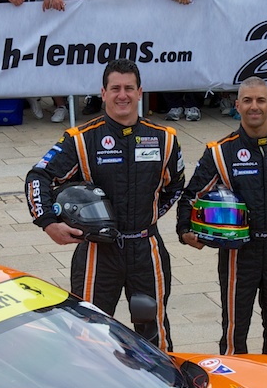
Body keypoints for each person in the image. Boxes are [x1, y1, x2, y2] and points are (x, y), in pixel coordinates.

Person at [25, 59, 186, 350]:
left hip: (146, 249)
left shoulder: (165, 139)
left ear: (140, 92)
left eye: (128, 88)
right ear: (103, 92)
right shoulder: (81, 139)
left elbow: (176, 185)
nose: (122, 95)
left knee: (155, 336)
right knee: (87, 338)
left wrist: (152, 214)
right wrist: (48, 222)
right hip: (98, 252)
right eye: (115, 88)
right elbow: (38, 177)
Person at [179, 77, 267, 357]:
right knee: (235, 330)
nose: (254, 106)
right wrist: (185, 230)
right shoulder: (220, 152)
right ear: (237, 105)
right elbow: (192, 195)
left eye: (261, 100)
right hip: (239, 250)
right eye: (247, 100)